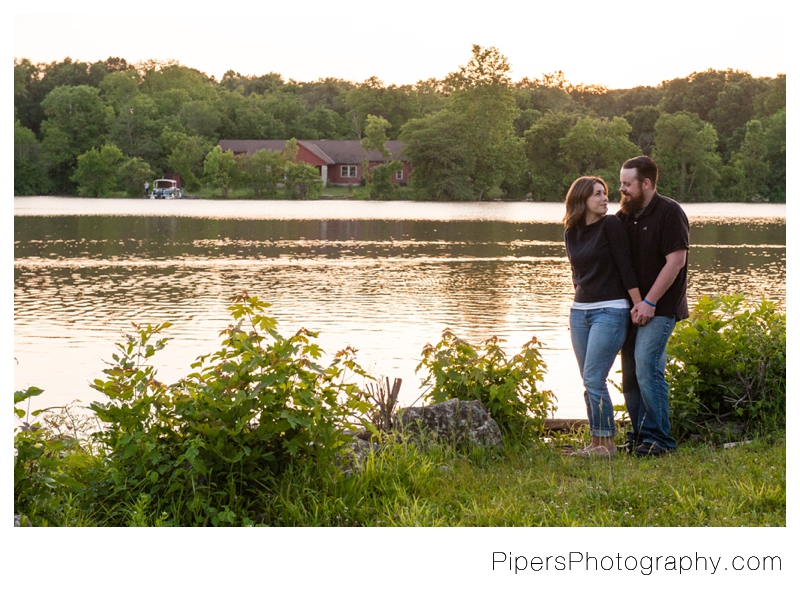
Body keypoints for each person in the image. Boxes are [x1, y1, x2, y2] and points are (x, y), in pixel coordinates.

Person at [564, 176, 642, 457]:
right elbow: (577, 275)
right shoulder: (571, 232)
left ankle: (606, 445)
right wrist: (578, 303)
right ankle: (596, 443)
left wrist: (637, 306)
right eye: (597, 194)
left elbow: (626, 267)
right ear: (581, 199)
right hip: (579, 312)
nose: (604, 198)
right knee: (589, 380)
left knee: (595, 378)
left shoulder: (611, 225)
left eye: (605, 193)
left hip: (611, 310)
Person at [617, 155, 689, 457]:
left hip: (660, 308)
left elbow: (676, 262)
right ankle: (640, 436)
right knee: (631, 375)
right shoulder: (624, 217)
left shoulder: (669, 212)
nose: (621, 189)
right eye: (621, 183)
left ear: (646, 183)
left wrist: (649, 302)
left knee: (648, 366)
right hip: (632, 309)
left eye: (627, 184)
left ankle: (661, 439)